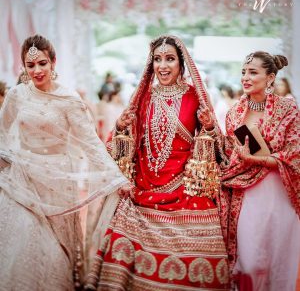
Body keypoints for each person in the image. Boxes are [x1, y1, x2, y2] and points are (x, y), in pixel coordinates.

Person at [85, 35, 230, 290]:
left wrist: (207, 127)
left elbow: (219, 149)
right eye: (157, 59)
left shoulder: (195, 96)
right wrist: (120, 127)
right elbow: (121, 143)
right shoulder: (143, 96)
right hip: (141, 189)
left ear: (181, 65)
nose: (163, 66)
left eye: (170, 59)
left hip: (184, 189)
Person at [0, 34, 130, 290]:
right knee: (24, 240)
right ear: (24, 67)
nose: (37, 71)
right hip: (22, 181)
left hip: (56, 181)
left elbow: (91, 143)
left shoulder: (69, 100)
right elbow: (2, 133)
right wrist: (7, 163)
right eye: (30, 65)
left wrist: (116, 178)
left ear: (53, 62)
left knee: (53, 247)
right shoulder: (16, 95)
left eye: (42, 64)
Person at [221, 51, 300, 290]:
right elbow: (229, 155)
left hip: (279, 195)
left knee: (279, 265)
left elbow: (296, 155)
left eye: (253, 72)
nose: (245, 77)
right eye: (244, 72)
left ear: (270, 77)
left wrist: (262, 160)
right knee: (251, 263)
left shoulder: (288, 110)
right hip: (247, 196)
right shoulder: (234, 113)